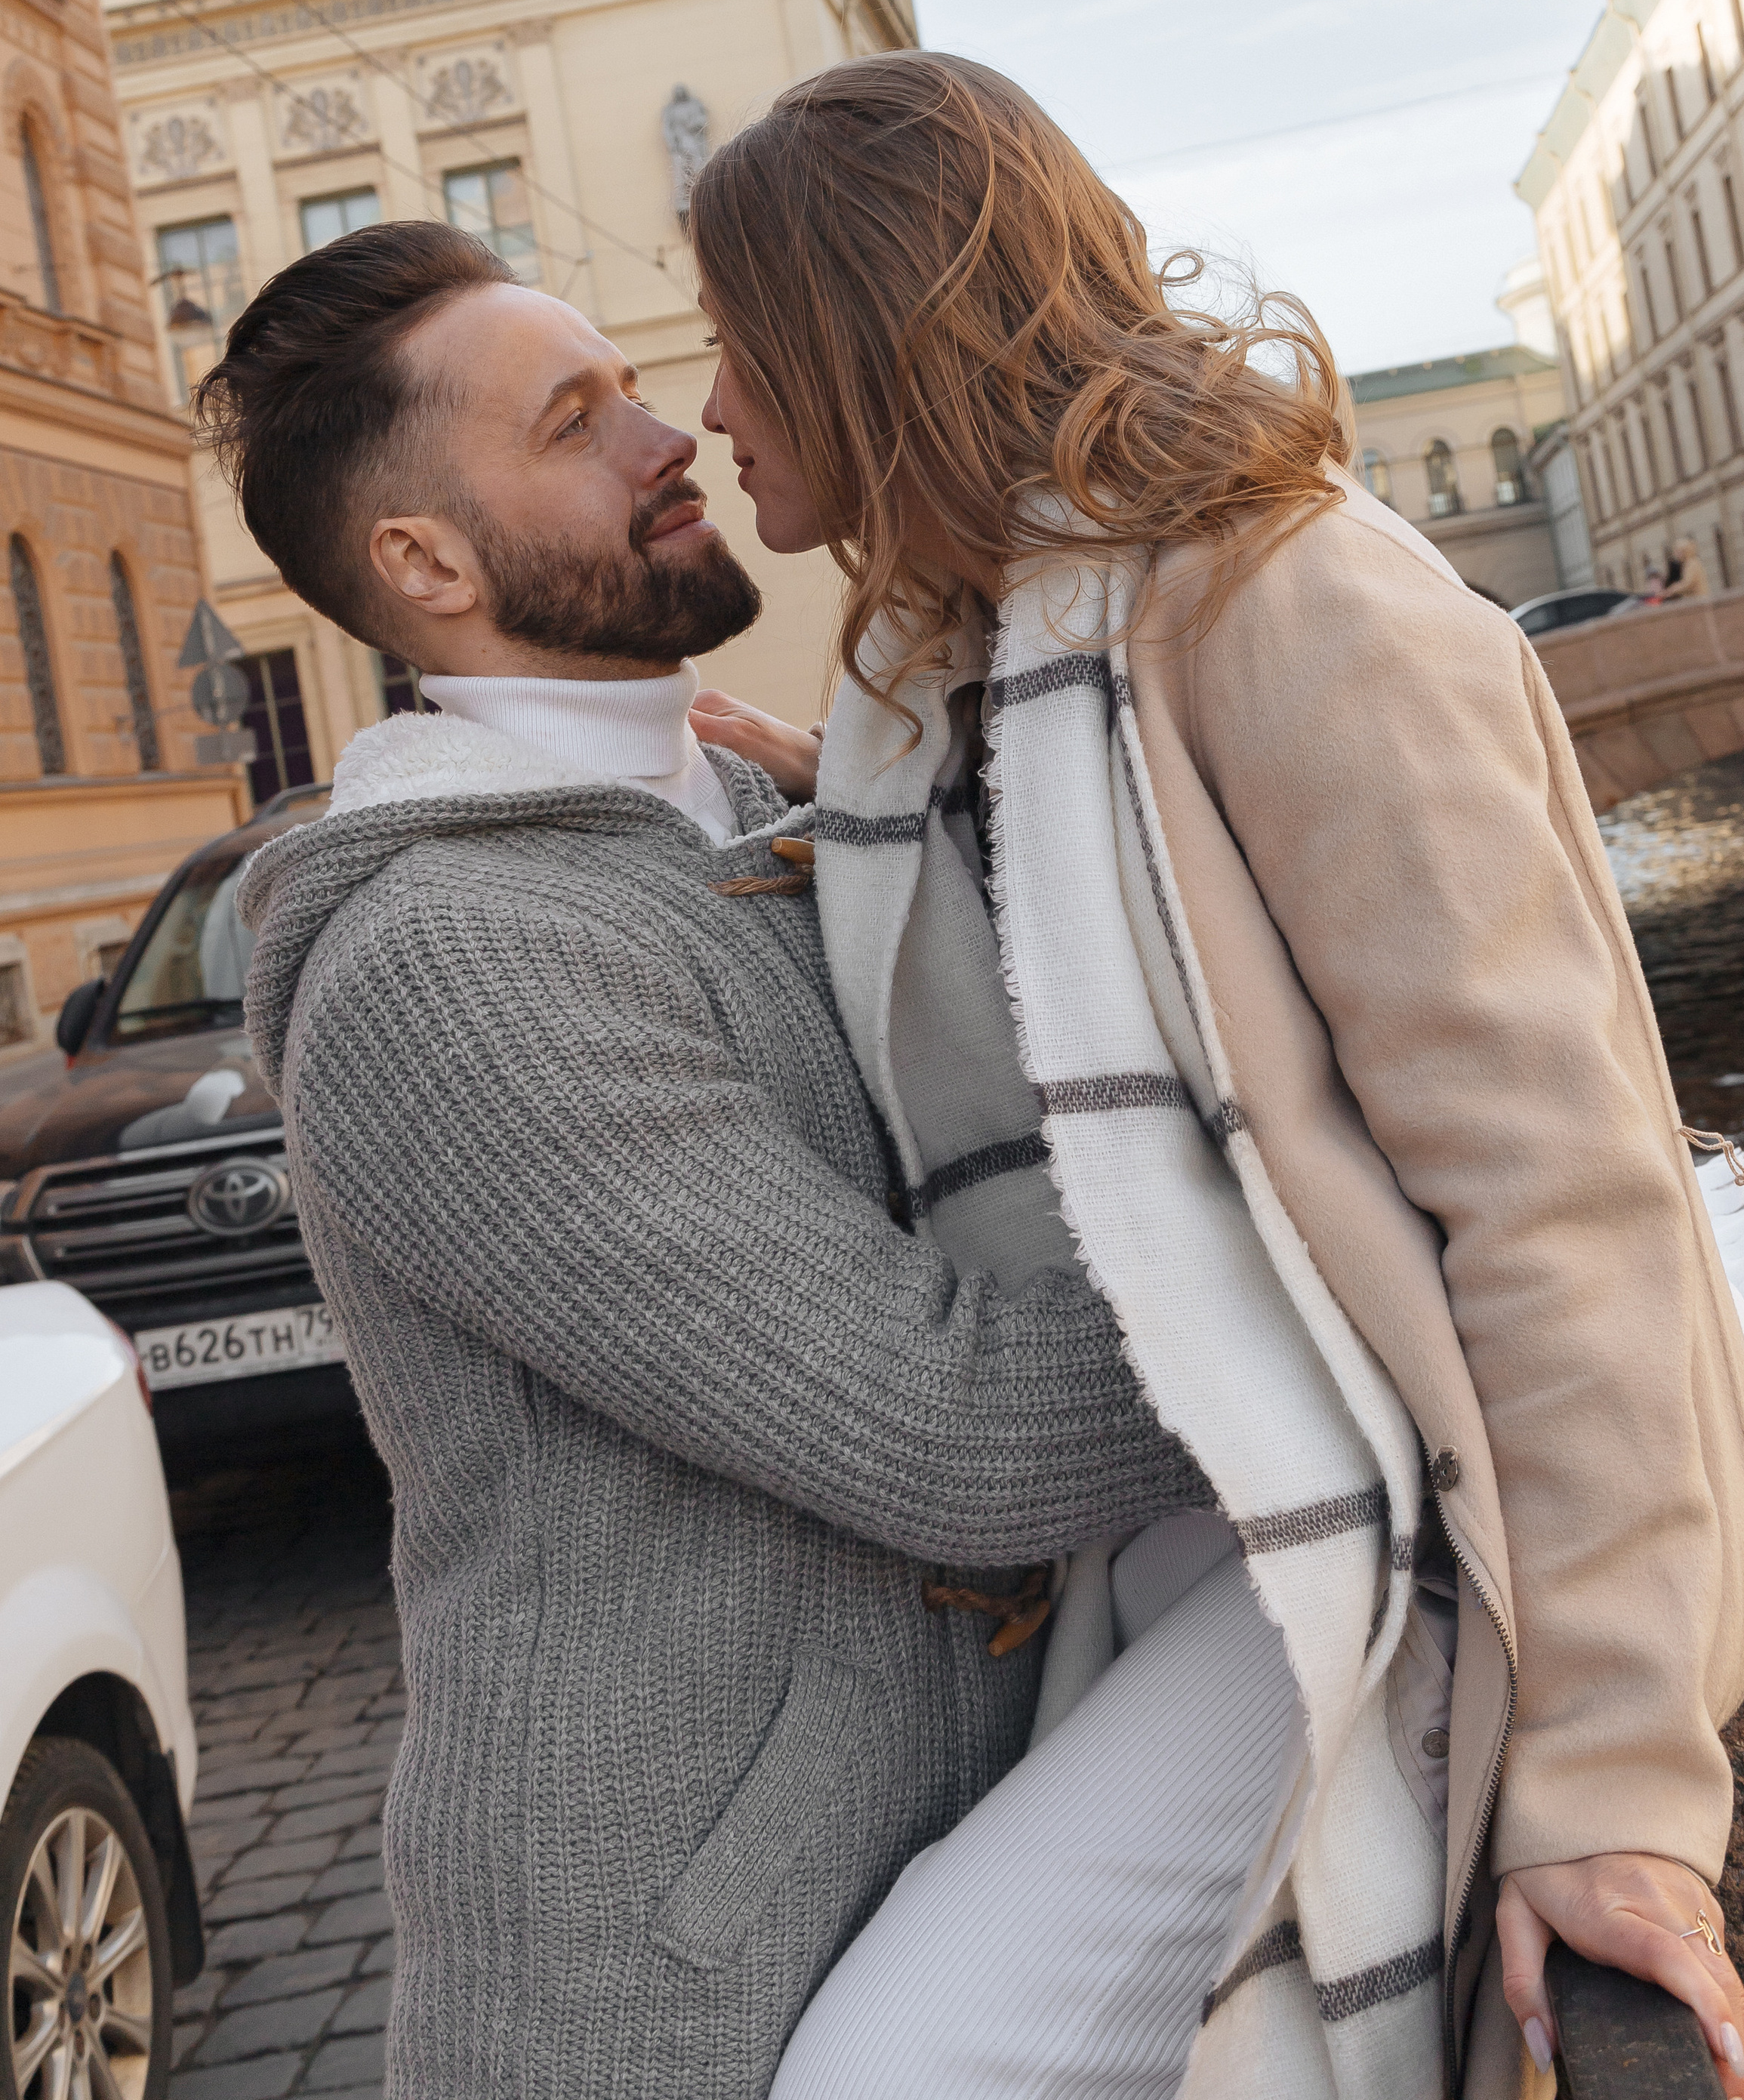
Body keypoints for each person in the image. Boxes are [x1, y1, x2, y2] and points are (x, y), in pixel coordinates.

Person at [685, 52, 1744, 2100]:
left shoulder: (1296, 597)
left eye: (732, 351)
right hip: (1207, 1522)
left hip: (1384, 1533)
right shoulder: (981, 675)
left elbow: (1563, 1196)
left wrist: (1617, 1781)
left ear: (855, 344)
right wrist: (856, 820)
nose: (708, 412)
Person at [194, 221, 1209, 2100]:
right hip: (667, 1995)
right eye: (574, 421)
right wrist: (1409, 1288)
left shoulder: (747, 810)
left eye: (632, 388)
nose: (668, 438)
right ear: (421, 563)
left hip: (901, 1883)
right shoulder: (452, 967)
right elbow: (952, 1432)